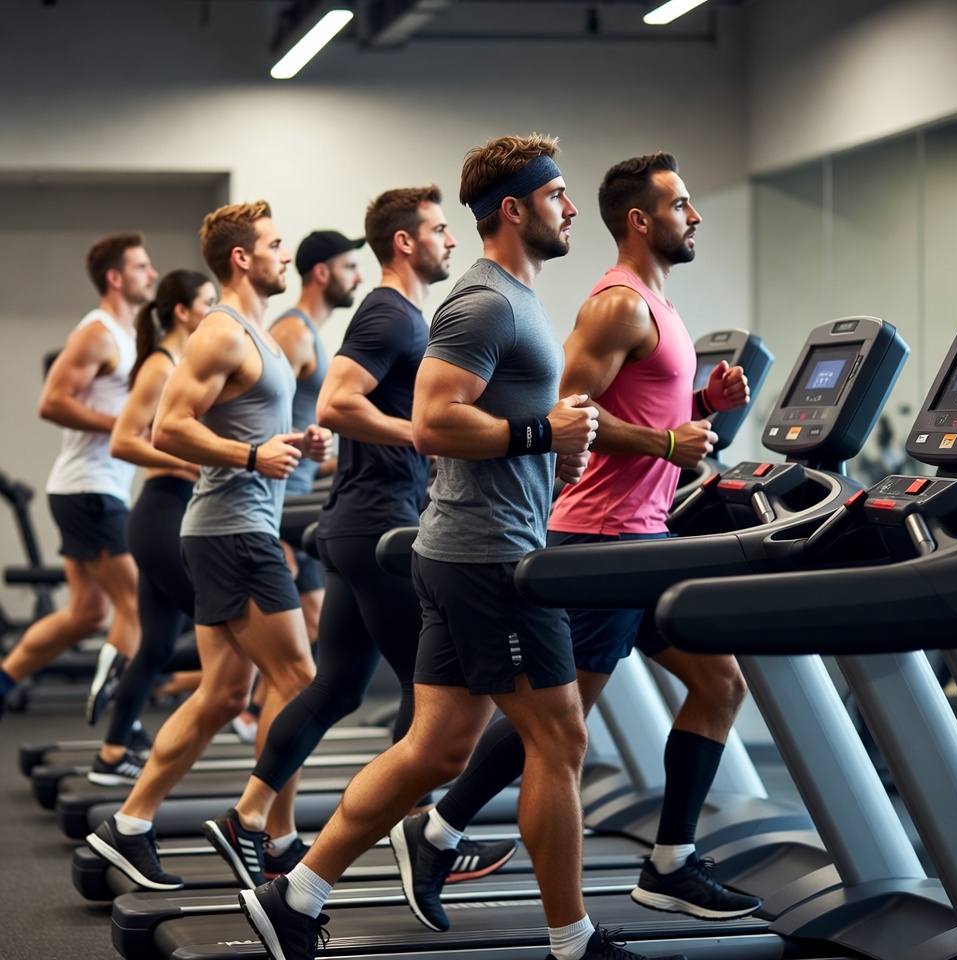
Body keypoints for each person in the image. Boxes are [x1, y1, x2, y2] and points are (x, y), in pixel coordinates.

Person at [238, 136, 683, 960]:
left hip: (467, 549)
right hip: (486, 560)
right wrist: (536, 433)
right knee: (561, 740)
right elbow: (436, 421)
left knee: (435, 748)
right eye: (555, 196)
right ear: (513, 209)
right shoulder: (482, 303)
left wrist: (559, 443)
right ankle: (574, 941)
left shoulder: (519, 297)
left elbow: (504, 424)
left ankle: (294, 895)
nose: (571, 207)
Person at [389, 152, 761, 927]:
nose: (694, 217)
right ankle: (439, 831)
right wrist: (663, 446)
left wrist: (701, 400)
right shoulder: (614, 307)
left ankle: (671, 862)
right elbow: (570, 416)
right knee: (557, 726)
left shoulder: (661, 308)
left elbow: (638, 410)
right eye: (682, 204)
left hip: (643, 538)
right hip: (597, 540)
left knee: (718, 685)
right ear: (641, 219)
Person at [205, 186, 515, 889]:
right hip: (380, 525)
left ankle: (245, 817)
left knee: (338, 686)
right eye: (439, 230)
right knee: (435, 692)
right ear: (404, 242)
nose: (451, 240)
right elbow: (338, 401)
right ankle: (422, 836)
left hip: (355, 524)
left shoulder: (404, 315)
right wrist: (423, 432)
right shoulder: (389, 313)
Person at [85, 201, 330, 890]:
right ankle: (263, 829)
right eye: (276, 246)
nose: (285, 255)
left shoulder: (263, 336)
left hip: (232, 529)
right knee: (302, 682)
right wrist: (252, 456)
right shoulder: (222, 332)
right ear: (242, 259)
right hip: (233, 533)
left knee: (225, 693)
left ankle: (128, 826)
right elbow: (166, 428)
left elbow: (249, 424)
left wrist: (302, 445)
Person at [0, 233, 156, 723]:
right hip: (89, 488)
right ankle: (120, 730)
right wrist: (123, 426)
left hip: (90, 488)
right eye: (141, 267)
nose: (151, 275)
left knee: (86, 614)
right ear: (115, 277)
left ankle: (1, 683)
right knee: (137, 605)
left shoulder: (129, 336)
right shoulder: (98, 333)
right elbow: (52, 401)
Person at [230, 231, 365, 745]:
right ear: (322, 273)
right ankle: (261, 734)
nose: (357, 275)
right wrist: (278, 526)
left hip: (303, 496)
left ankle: (256, 719)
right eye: (350, 266)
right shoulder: (293, 333)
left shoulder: (312, 333)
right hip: (284, 507)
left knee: (308, 638)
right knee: (309, 638)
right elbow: (261, 427)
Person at [87, 269, 217, 785]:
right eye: (207, 302)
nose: (214, 311)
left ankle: (113, 753)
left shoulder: (182, 364)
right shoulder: (160, 367)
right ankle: (121, 673)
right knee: (222, 621)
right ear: (182, 312)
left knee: (160, 644)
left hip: (171, 513)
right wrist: (185, 460)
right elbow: (122, 440)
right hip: (161, 511)